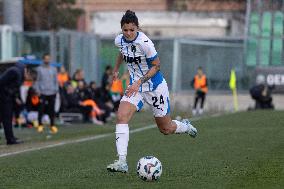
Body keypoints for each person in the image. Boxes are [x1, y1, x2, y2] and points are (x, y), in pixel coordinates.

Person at [106, 10, 197, 173]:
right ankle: (121, 161)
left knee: (166, 128)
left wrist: (139, 81)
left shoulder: (145, 43)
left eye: (131, 30)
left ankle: (186, 126)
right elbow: (122, 52)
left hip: (155, 87)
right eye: (125, 30)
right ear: (121, 29)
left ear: (137, 28)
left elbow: (157, 66)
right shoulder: (119, 40)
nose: (128, 33)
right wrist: (116, 69)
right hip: (136, 88)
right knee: (121, 116)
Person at [0, 62, 36, 145]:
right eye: (30, 78)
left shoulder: (19, 74)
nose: (29, 80)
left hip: (6, 97)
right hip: (3, 98)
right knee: (7, 118)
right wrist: (10, 94)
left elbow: (13, 88)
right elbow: (1, 83)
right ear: (27, 72)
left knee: (5, 118)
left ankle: (10, 137)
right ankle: (10, 139)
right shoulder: (15, 71)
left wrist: (16, 98)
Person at [34, 53, 59, 134]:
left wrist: (56, 89)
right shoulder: (39, 69)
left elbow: (56, 80)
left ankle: (52, 125)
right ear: (43, 59)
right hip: (43, 92)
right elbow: (37, 81)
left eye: (48, 58)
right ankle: (40, 125)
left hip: (52, 92)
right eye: (46, 59)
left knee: (52, 109)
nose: (47, 60)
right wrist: (38, 90)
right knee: (41, 109)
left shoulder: (54, 69)